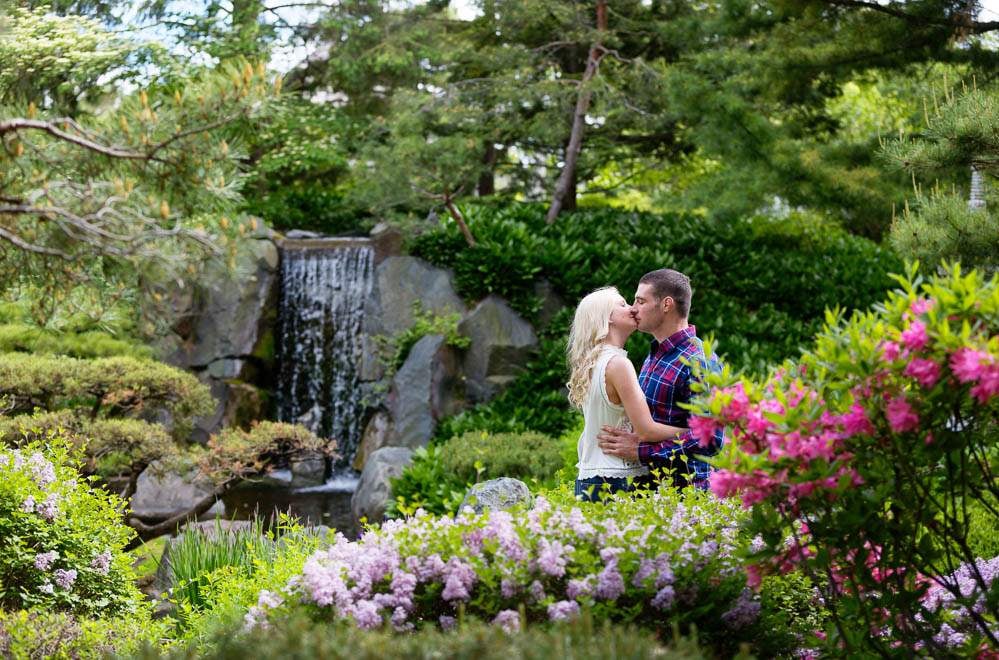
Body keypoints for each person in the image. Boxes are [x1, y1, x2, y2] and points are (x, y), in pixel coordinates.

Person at [597, 268, 724, 490]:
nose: (633, 309)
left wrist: (641, 451)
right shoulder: (657, 353)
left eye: (640, 301)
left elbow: (710, 439)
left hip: (688, 496)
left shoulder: (699, 361)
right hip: (653, 491)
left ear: (666, 305)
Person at [567, 286, 688, 502]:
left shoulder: (594, 362)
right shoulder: (618, 364)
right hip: (612, 480)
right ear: (607, 318)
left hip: (589, 478)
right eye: (622, 305)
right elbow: (647, 431)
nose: (633, 309)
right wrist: (696, 431)